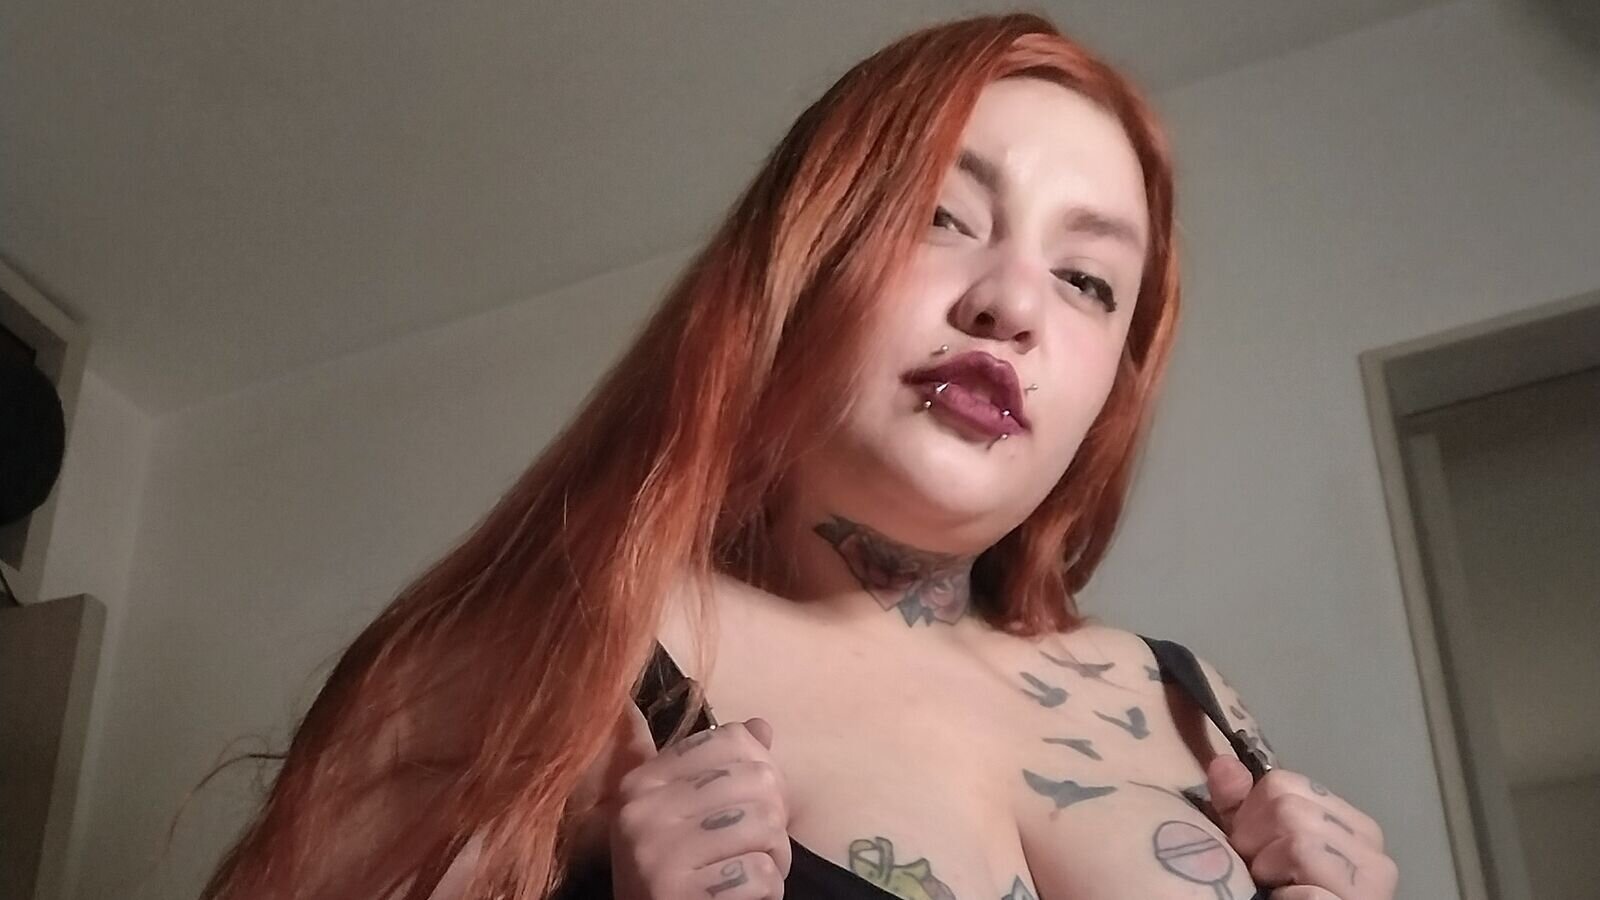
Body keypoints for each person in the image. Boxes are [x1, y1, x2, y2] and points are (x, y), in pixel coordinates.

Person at [201, 12, 1397, 900]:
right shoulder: (539, 655)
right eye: (941, 215)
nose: (1013, 305)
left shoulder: (1189, 706)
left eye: (1087, 280)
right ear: (804, 256)